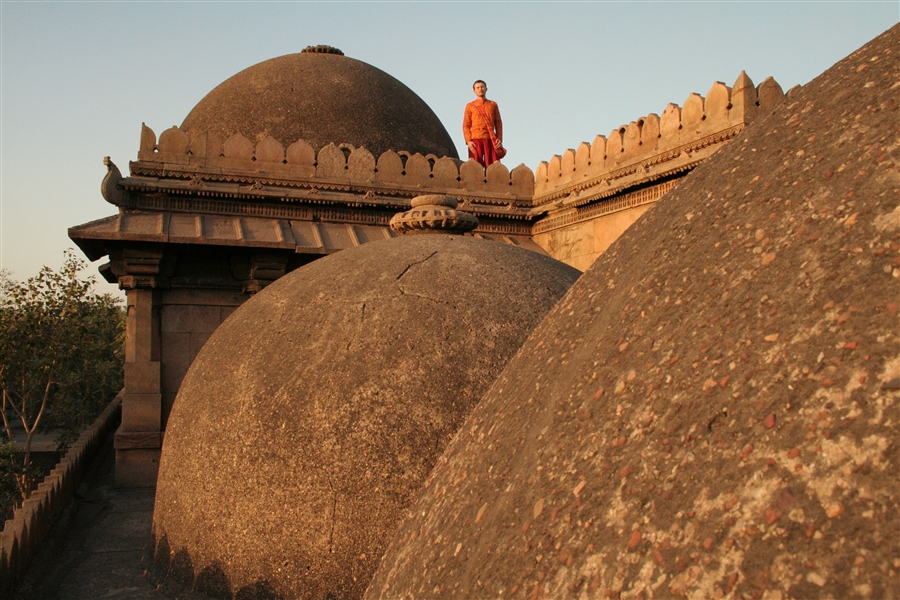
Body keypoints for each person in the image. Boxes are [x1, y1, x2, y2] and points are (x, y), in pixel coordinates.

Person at [463, 80, 503, 168]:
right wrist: (468, 141)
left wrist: (499, 139)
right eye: (477, 88)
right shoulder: (470, 106)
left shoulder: (493, 104)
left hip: (490, 139)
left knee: (494, 167)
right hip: (475, 139)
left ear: (486, 89)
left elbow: (498, 123)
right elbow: (466, 124)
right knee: (475, 167)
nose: (480, 89)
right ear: (474, 91)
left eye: (482, 87)